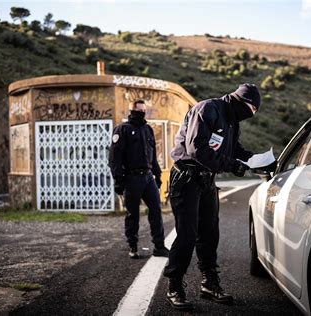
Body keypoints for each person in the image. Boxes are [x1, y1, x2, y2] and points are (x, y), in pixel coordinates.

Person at [163, 84, 264, 310]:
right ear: (238, 100)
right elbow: (196, 149)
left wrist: (256, 160)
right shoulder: (207, 109)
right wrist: (230, 165)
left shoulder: (232, 121)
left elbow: (234, 149)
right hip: (186, 179)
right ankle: (174, 285)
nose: (251, 114)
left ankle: (209, 283)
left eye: (255, 112)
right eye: (250, 108)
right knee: (187, 235)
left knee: (210, 234)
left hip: (207, 181)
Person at [108, 99, 169, 259]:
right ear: (132, 110)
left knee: (156, 211)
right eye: (139, 110)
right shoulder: (122, 129)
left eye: (144, 110)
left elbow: (153, 156)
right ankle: (133, 246)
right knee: (132, 214)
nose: (142, 113)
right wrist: (118, 180)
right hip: (131, 178)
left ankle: (159, 246)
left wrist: (158, 175)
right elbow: (115, 158)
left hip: (148, 178)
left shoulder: (148, 129)